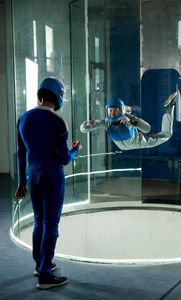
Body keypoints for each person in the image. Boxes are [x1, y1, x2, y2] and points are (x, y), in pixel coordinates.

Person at [15, 77, 82, 289]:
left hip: (32, 175)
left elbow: (21, 152)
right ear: (58, 97)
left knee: (38, 221)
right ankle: (45, 275)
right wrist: (75, 150)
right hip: (52, 175)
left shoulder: (23, 118)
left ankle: (40, 265)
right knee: (51, 225)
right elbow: (63, 159)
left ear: (40, 94)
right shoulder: (58, 122)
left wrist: (21, 182)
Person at [80, 92, 177, 151]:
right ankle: (169, 107)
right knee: (166, 135)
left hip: (138, 142)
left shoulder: (127, 119)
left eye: (116, 111)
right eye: (110, 111)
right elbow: (83, 130)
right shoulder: (106, 123)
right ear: (107, 111)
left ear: (121, 111)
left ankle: (170, 108)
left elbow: (147, 129)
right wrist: (86, 125)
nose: (112, 114)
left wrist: (132, 122)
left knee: (166, 135)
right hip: (122, 147)